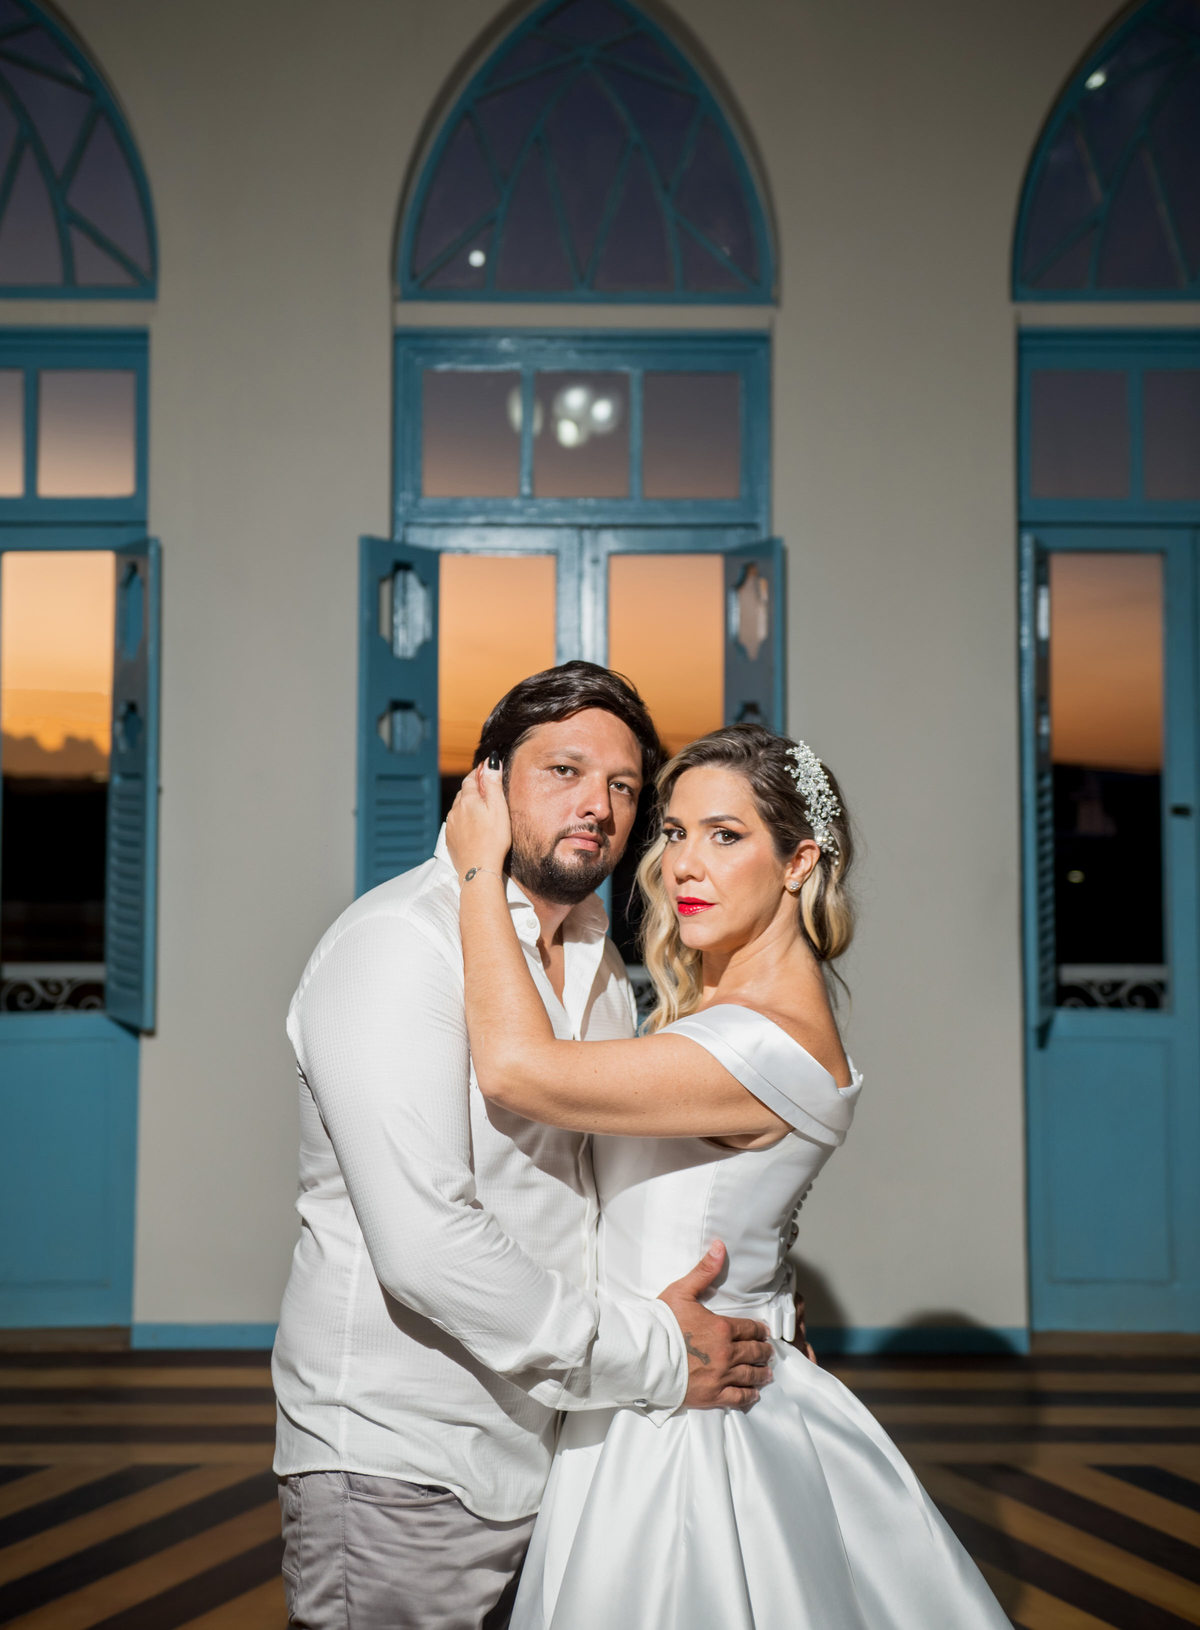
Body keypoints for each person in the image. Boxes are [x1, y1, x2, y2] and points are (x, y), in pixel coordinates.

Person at [446, 723, 1011, 1630]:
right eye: (674, 831)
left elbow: (516, 1070)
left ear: (798, 863)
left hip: (684, 1426)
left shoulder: (761, 1041)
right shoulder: (725, 1012)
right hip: (652, 1374)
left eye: (725, 835)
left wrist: (478, 869)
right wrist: (771, 1295)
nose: (683, 865)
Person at [271, 663, 773, 1630]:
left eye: (623, 785)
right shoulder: (399, 945)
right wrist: (654, 1356)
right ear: (489, 784)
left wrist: (744, 1304)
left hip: (559, 1451)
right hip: (403, 1459)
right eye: (565, 771)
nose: (599, 806)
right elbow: (427, 1246)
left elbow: (592, 1197)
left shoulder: (599, 961)